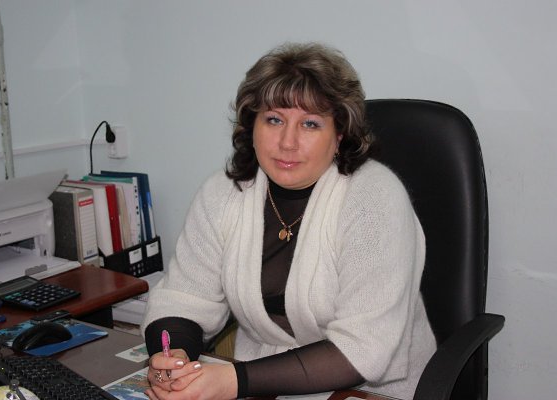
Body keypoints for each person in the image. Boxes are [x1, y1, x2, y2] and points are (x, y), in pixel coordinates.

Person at [141, 42, 436, 400]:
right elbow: (183, 298)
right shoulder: (223, 194)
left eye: (310, 124)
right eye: (274, 120)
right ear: (252, 126)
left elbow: (363, 348)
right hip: (264, 380)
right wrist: (172, 359)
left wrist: (231, 381)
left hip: (369, 390)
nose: (287, 142)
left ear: (339, 135)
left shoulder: (373, 198)